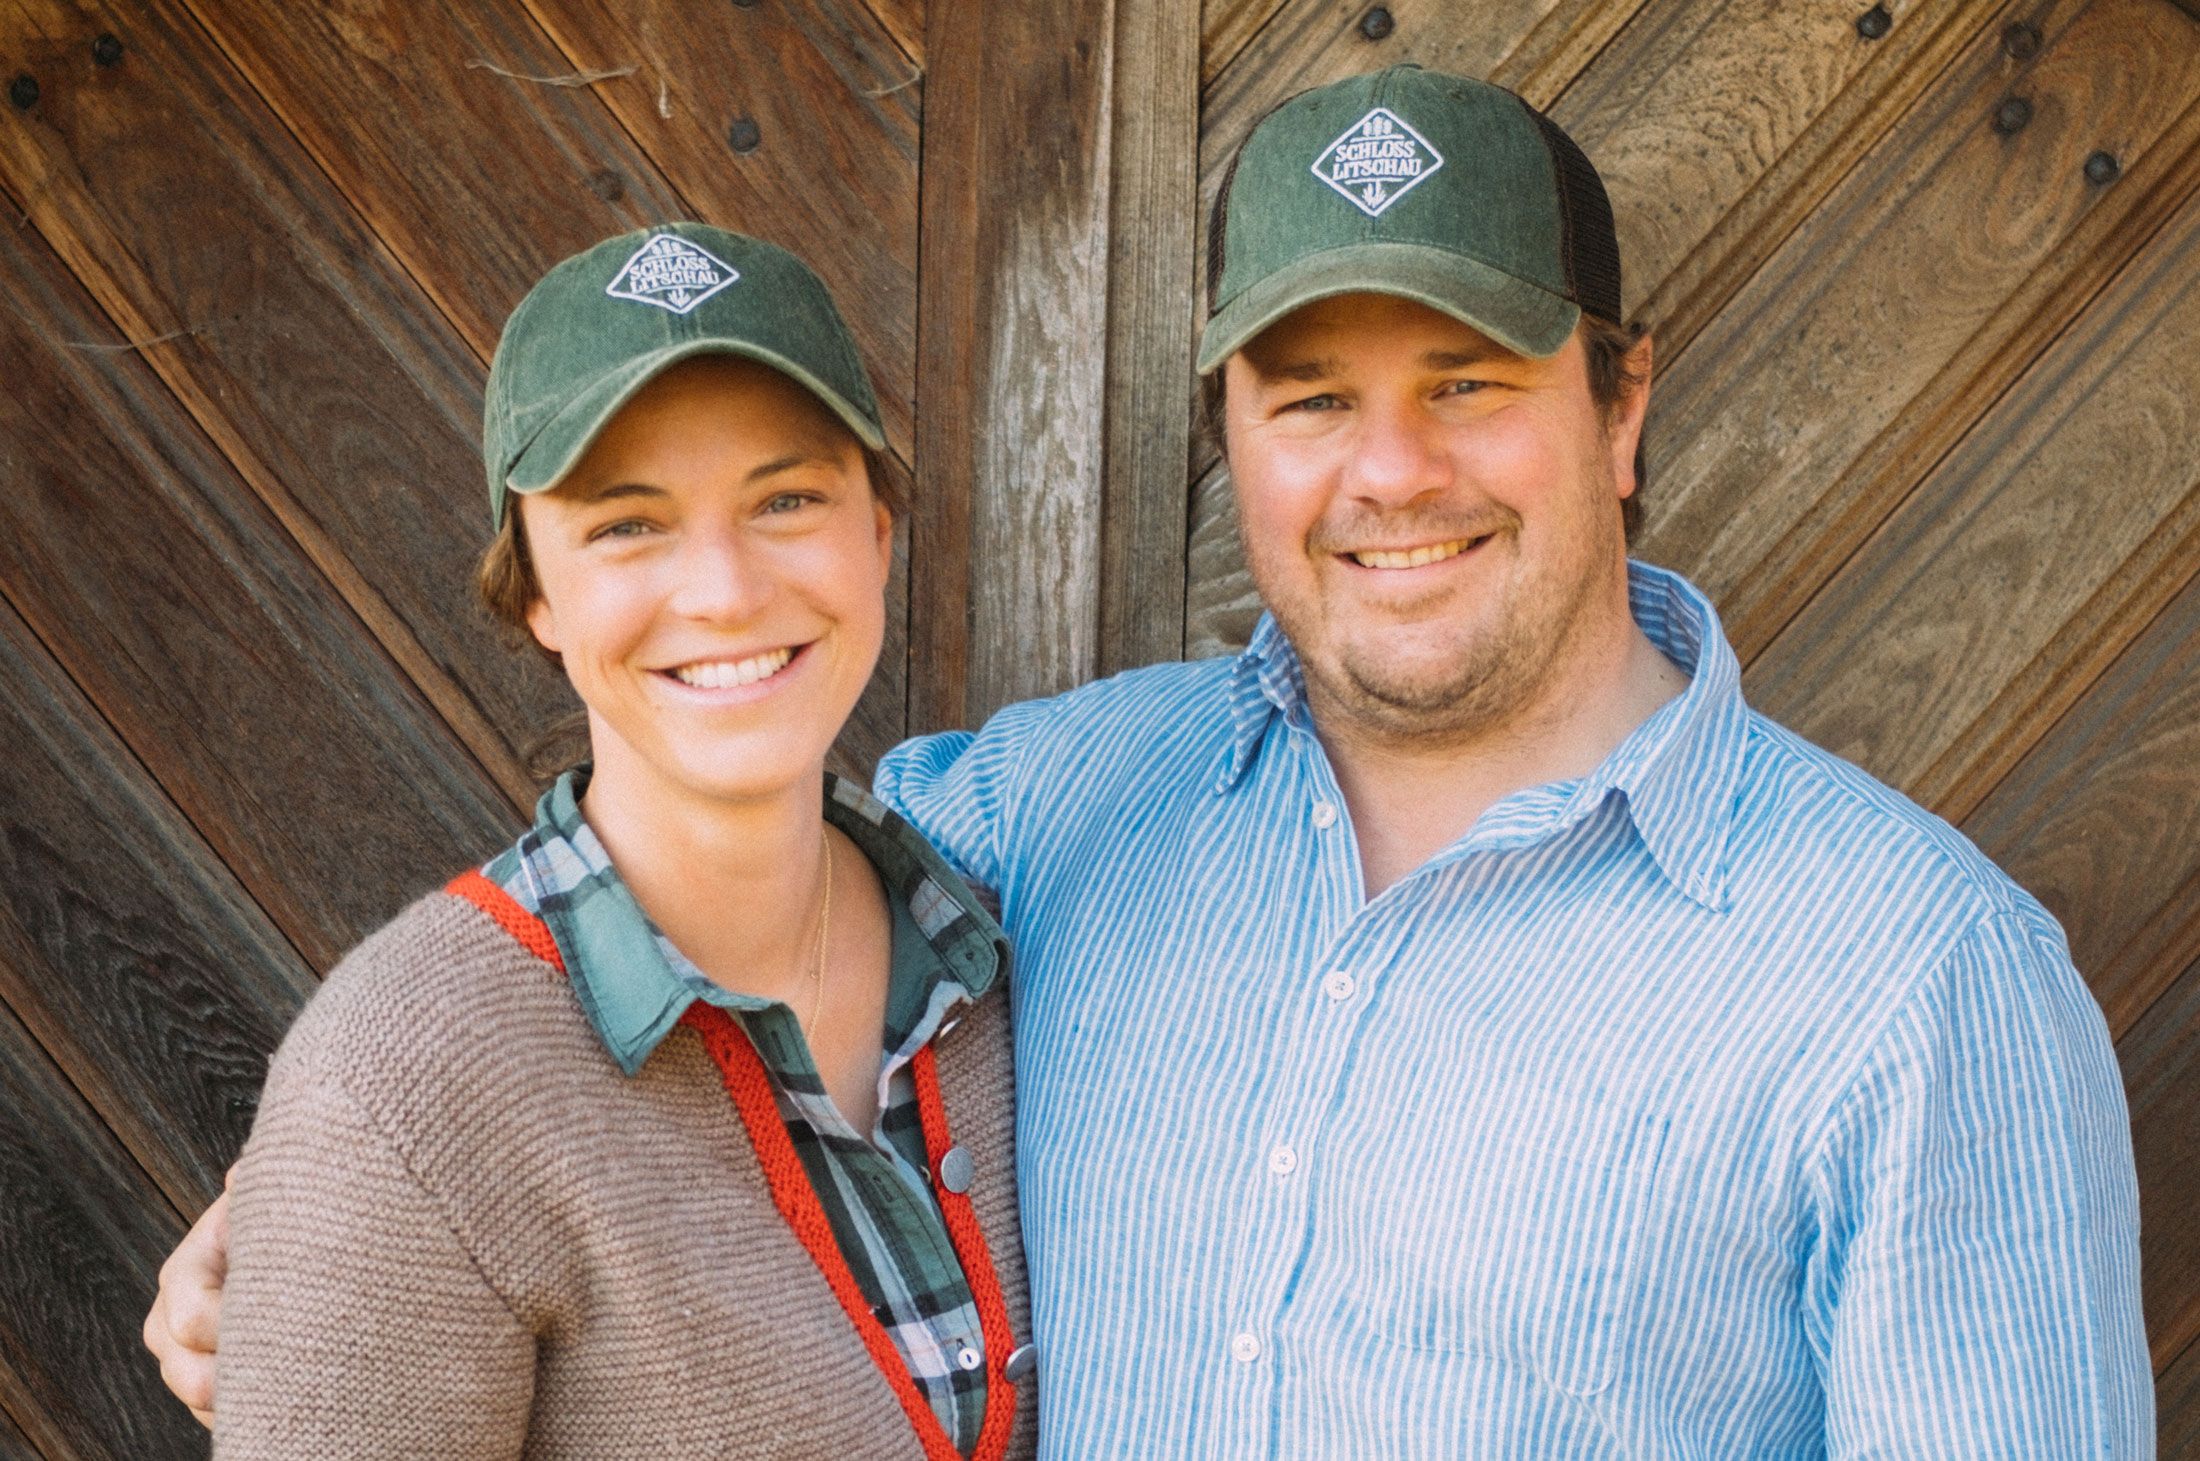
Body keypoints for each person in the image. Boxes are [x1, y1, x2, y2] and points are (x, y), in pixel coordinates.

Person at [151, 67, 2151, 1457]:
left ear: (1618, 406)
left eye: (1465, 383)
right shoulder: (1046, 811)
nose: (1386, 471)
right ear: (1227, 432)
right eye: (1308, 397)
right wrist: (328, 1202)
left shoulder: (1918, 990)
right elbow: (668, 896)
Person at [183, 222, 1036, 1459]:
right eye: (628, 525)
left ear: (880, 535)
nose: (726, 590)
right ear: (533, 589)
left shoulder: (1003, 960)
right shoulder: (403, 1088)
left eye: (787, 498)